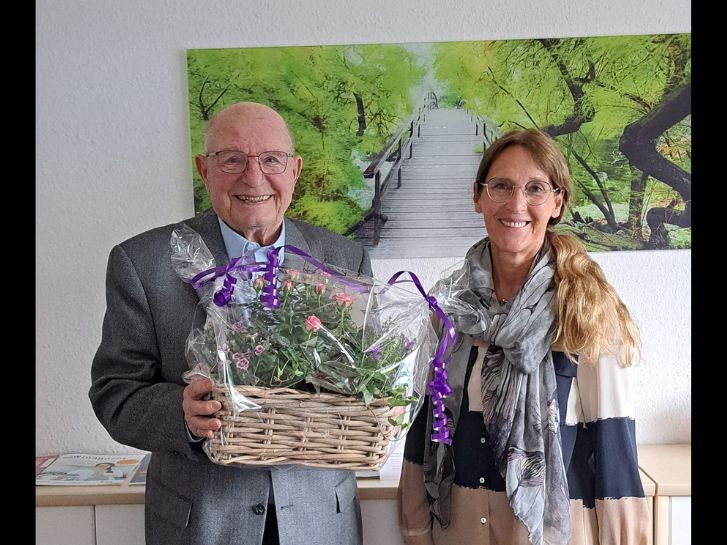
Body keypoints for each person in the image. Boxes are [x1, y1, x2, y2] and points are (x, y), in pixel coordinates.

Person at [89, 102, 371, 545]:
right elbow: (114, 393)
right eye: (232, 159)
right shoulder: (143, 263)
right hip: (200, 524)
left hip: (321, 521)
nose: (253, 177)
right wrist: (178, 411)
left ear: (294, 170)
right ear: (204, 169)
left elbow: (364, 374)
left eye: (271, 160)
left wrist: (387, 397)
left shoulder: (343, 260)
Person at [398, 129, 650, 545]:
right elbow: (424, 426)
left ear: (557, 203)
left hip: (551, 534)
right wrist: (415, 527)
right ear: (478, 197)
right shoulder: (449, 308)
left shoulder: (585, 309)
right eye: (501, 186)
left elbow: (612, 442)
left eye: (535, 188)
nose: (516, 204)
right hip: (457, 530)